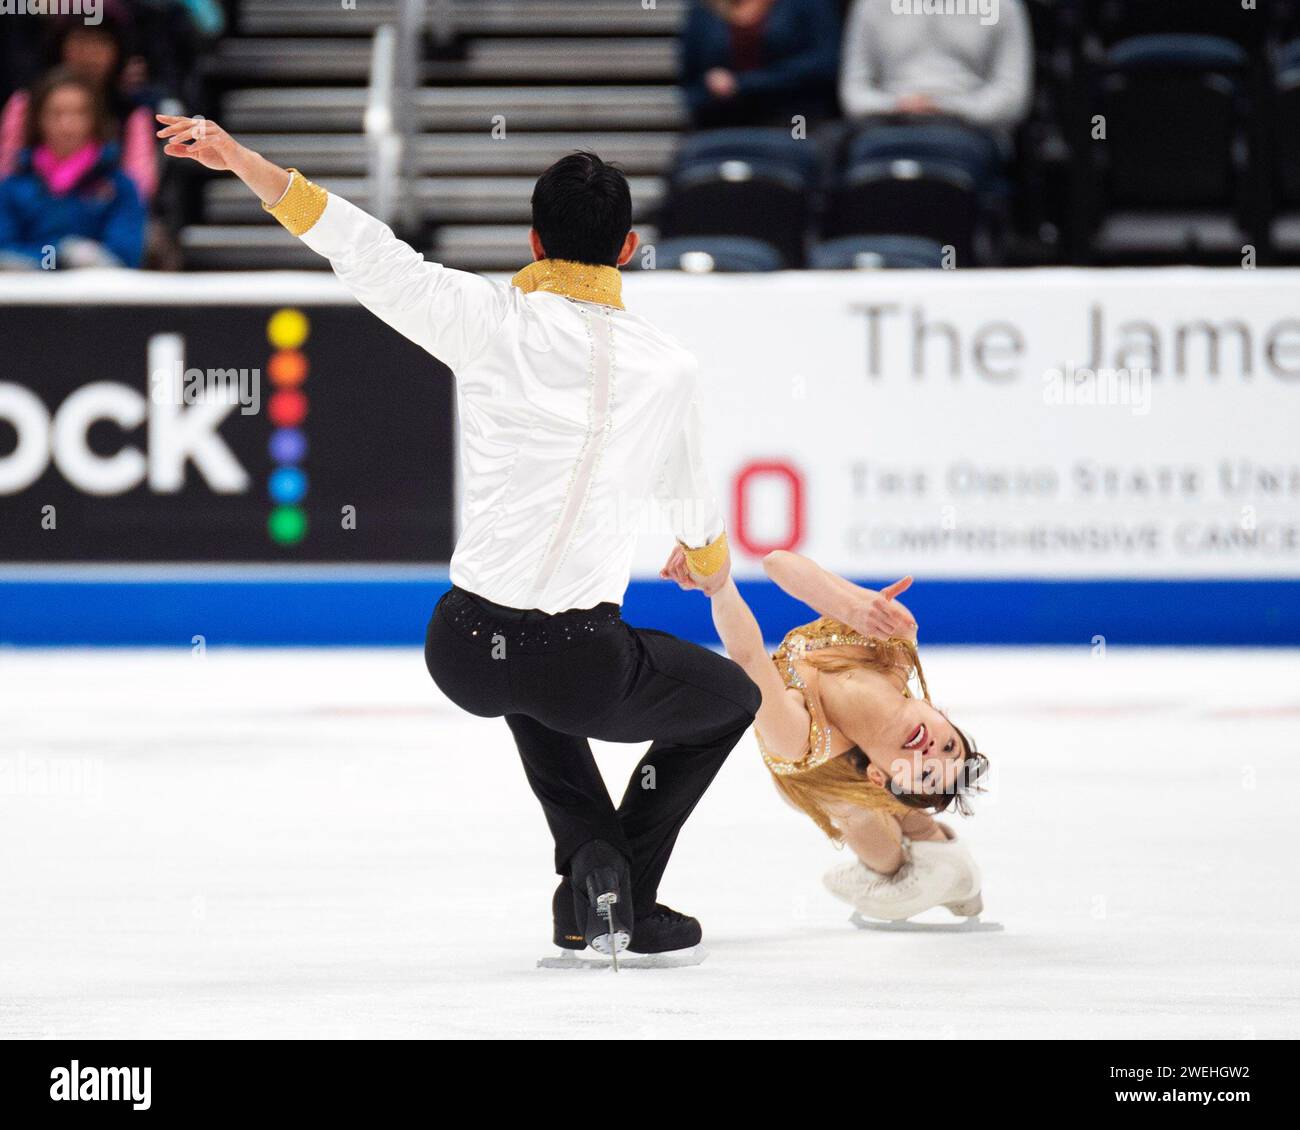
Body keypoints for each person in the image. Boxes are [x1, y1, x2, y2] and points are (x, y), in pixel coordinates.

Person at [157, 113, 762, 965]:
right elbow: (694, 506)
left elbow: (363, 248)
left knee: (530, 682)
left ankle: (588, 875)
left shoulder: (485, 319)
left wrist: (240, 159)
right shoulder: (669, 367)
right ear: (628, 248)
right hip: (580, 659)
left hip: (463, 646)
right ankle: (631, 881)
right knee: (731, 699)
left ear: (532, 238)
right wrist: (704, 563)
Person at [662, 545, 991, 922]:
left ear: (878, 776)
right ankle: (913, 870)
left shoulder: (796, 734)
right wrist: (851, 606)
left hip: (813, 763)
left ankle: (942, 868)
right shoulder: (894, 640)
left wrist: (718, 586)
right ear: (941, 714)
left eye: (926, 772)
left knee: (887, 821)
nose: (929, 753)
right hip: (822, 780)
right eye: (949, 746)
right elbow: (778, 563)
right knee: (878, 840)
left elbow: (749, 657)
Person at [838, 0, 1033, 190]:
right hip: (887, 124)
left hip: (972, 130)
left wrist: (945, 107)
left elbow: (1012, 98)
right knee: (861, 158)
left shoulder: (1004, 5)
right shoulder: (870, 4)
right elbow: (853, 94)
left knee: (957, 157)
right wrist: (897, 105)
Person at [0, 10, 160, 203]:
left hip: (103, 218)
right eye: (81, 41)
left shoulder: (131, 114)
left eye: (100, 43)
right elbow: (6, 171)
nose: (90, 54)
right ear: (61, 46)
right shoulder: (26, 102)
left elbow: (139, 191)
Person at [0, 69, 145, 270]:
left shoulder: (119, 185)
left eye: (79, 113)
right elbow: (5, 251)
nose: (67, 124)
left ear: (95, 119)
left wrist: (86, 259)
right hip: (27, 295)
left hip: (98, 296)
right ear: (39, 119)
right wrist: (57, 256)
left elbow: (125, 255)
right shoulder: (12, 187)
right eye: (56, 113)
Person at [680, 0, 841, 130]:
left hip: (797, 120)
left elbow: (823, 65)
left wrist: (742, 85)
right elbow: (693, 79)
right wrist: (713, 87)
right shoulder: (704, 8)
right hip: (721, 122)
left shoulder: (808, 4)